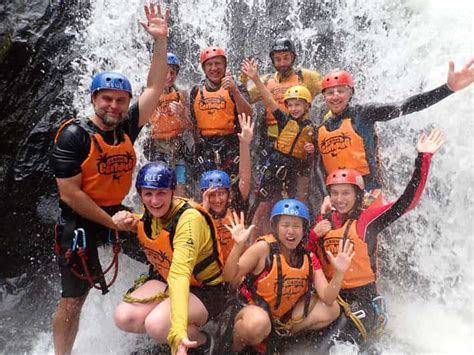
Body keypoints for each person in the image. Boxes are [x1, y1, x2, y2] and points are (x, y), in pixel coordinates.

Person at [49, 4, 169, 354]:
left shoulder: (128, 126)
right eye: (107, 100)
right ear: (94, 99)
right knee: (74, 299)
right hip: (81, 221)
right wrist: (113, 223)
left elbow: (155, 87)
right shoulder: (72, 135)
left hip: (117, 212)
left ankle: (162, 322)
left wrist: (160, 42)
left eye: (120, 100)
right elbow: (70, 195)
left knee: (164, 251)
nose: (114, 106)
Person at [307, 128, 445, 344]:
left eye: (346, 193)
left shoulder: (368, 219)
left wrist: (423, 157)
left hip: (362, 300)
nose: (339, 199)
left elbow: (408, 201)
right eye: (335, 193)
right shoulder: (324, 221)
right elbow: (307, 255)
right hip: (332, 298)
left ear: (357, 195)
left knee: (332, 347)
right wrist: (314, 236)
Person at [317, 59, 474, 210]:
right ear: (324, 96)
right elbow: (320, 168)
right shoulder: (322, 129)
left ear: (350, 92)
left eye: (341, 91)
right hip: (337, 199)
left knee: (365, 236)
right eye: (330, 92)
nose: (335, 96)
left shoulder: (364, 114)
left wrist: (448, 88)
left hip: (368, 194)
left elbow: (405, 106)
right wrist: (326, 196)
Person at [112, 162, 228, 355]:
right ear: (140, 194)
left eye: (161, 193)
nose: (155, 201)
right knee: (124, 316)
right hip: (167, 279)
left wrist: (178, 329)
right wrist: (125, 220)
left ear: (172, 192)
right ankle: (169, 332)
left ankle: (204, 342)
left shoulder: (189, 221)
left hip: (205, 289)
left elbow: (181, 274)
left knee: (157, 325)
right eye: (148, 194)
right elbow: (149, 225)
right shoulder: (149, 214)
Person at [223, 200, 354, 353]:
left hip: (282, 320)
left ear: (304, 229)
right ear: (276, 227)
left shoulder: (308, 257)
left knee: (331, 309)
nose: (290, 231)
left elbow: (328, 297)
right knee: (258, 323)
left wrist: (339, 273)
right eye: (285, 225)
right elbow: (228, 276)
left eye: (296, 226)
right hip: (252, 312)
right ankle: (233, 349)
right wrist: (238, 245)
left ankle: (280, 338)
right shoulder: (263, 249)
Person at [241, 58, 315, 239]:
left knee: (295, 206)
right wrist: (256, 78)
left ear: (307, 106)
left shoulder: (313, 129)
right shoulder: (284, 120)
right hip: (275, 167)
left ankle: (296, 241)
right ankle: (254, 242)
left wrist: (312, 149)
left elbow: (315, 155)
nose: (294, 108)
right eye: (290, 105)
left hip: (294, 171)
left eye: (298, 104)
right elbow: (268, 98)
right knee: (262, 206)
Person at [189, 46, 252, 180]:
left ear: (224, 66)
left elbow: (248, 116)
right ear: (204, 69)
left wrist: (235, 91)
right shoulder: (196, 91)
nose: (214, 68)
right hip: (206, 147)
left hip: (230, 144)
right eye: (209, 65)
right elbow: (193, 124)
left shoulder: (237, 87)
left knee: (233, 189)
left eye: (218, 64)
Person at [200, 112, 254, 263]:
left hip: (238, 269)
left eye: (221, 193)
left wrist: (244, 144)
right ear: (204, 195)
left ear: (229, 194)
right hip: (212, 272)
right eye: (212, 194)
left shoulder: (236, 206)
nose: (217, 200)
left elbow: (245, 177)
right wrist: (204, 209)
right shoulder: (196, 213)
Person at [148, 52, 193, 197]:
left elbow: (191, 127)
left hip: (177, 146)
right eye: (164, 72)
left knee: (180, 185)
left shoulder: (182, 94)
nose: (168, 76)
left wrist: (182, 113)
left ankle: (180, 213)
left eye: (172, 72)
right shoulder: (149, 94)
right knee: (158, 185)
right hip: (157, 147)